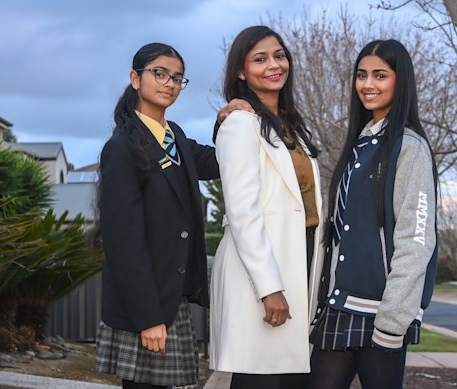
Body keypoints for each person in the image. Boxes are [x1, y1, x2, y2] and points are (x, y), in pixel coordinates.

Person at [308, 39, 438, 389]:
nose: (368, 85)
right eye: (362, 75)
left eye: (380, 75)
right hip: (340, 305)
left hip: (382, 313)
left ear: (401, 80)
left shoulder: (409, 147)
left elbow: (416, 238)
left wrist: (393, 321)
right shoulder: (361, 143)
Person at [94, 42, 219, 389]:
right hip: (144, 306)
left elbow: (217, 160)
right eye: (159, 74)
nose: (169, 84)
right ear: (135, 78)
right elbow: (124, 243)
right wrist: (148, 318)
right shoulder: (121, 148)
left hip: (170, 297)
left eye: (177, 78)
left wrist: (233, 118)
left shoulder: (174, 136)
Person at [209, 25, 324, 389]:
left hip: (299, 257)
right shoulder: (240, 123)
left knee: (289, 377)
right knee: (258, 377)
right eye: (260, 59)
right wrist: (269, 287)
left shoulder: (294, 127)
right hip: (261, 269)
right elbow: (243, 213)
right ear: (242, 72)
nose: (274, 65)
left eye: (279, 55)